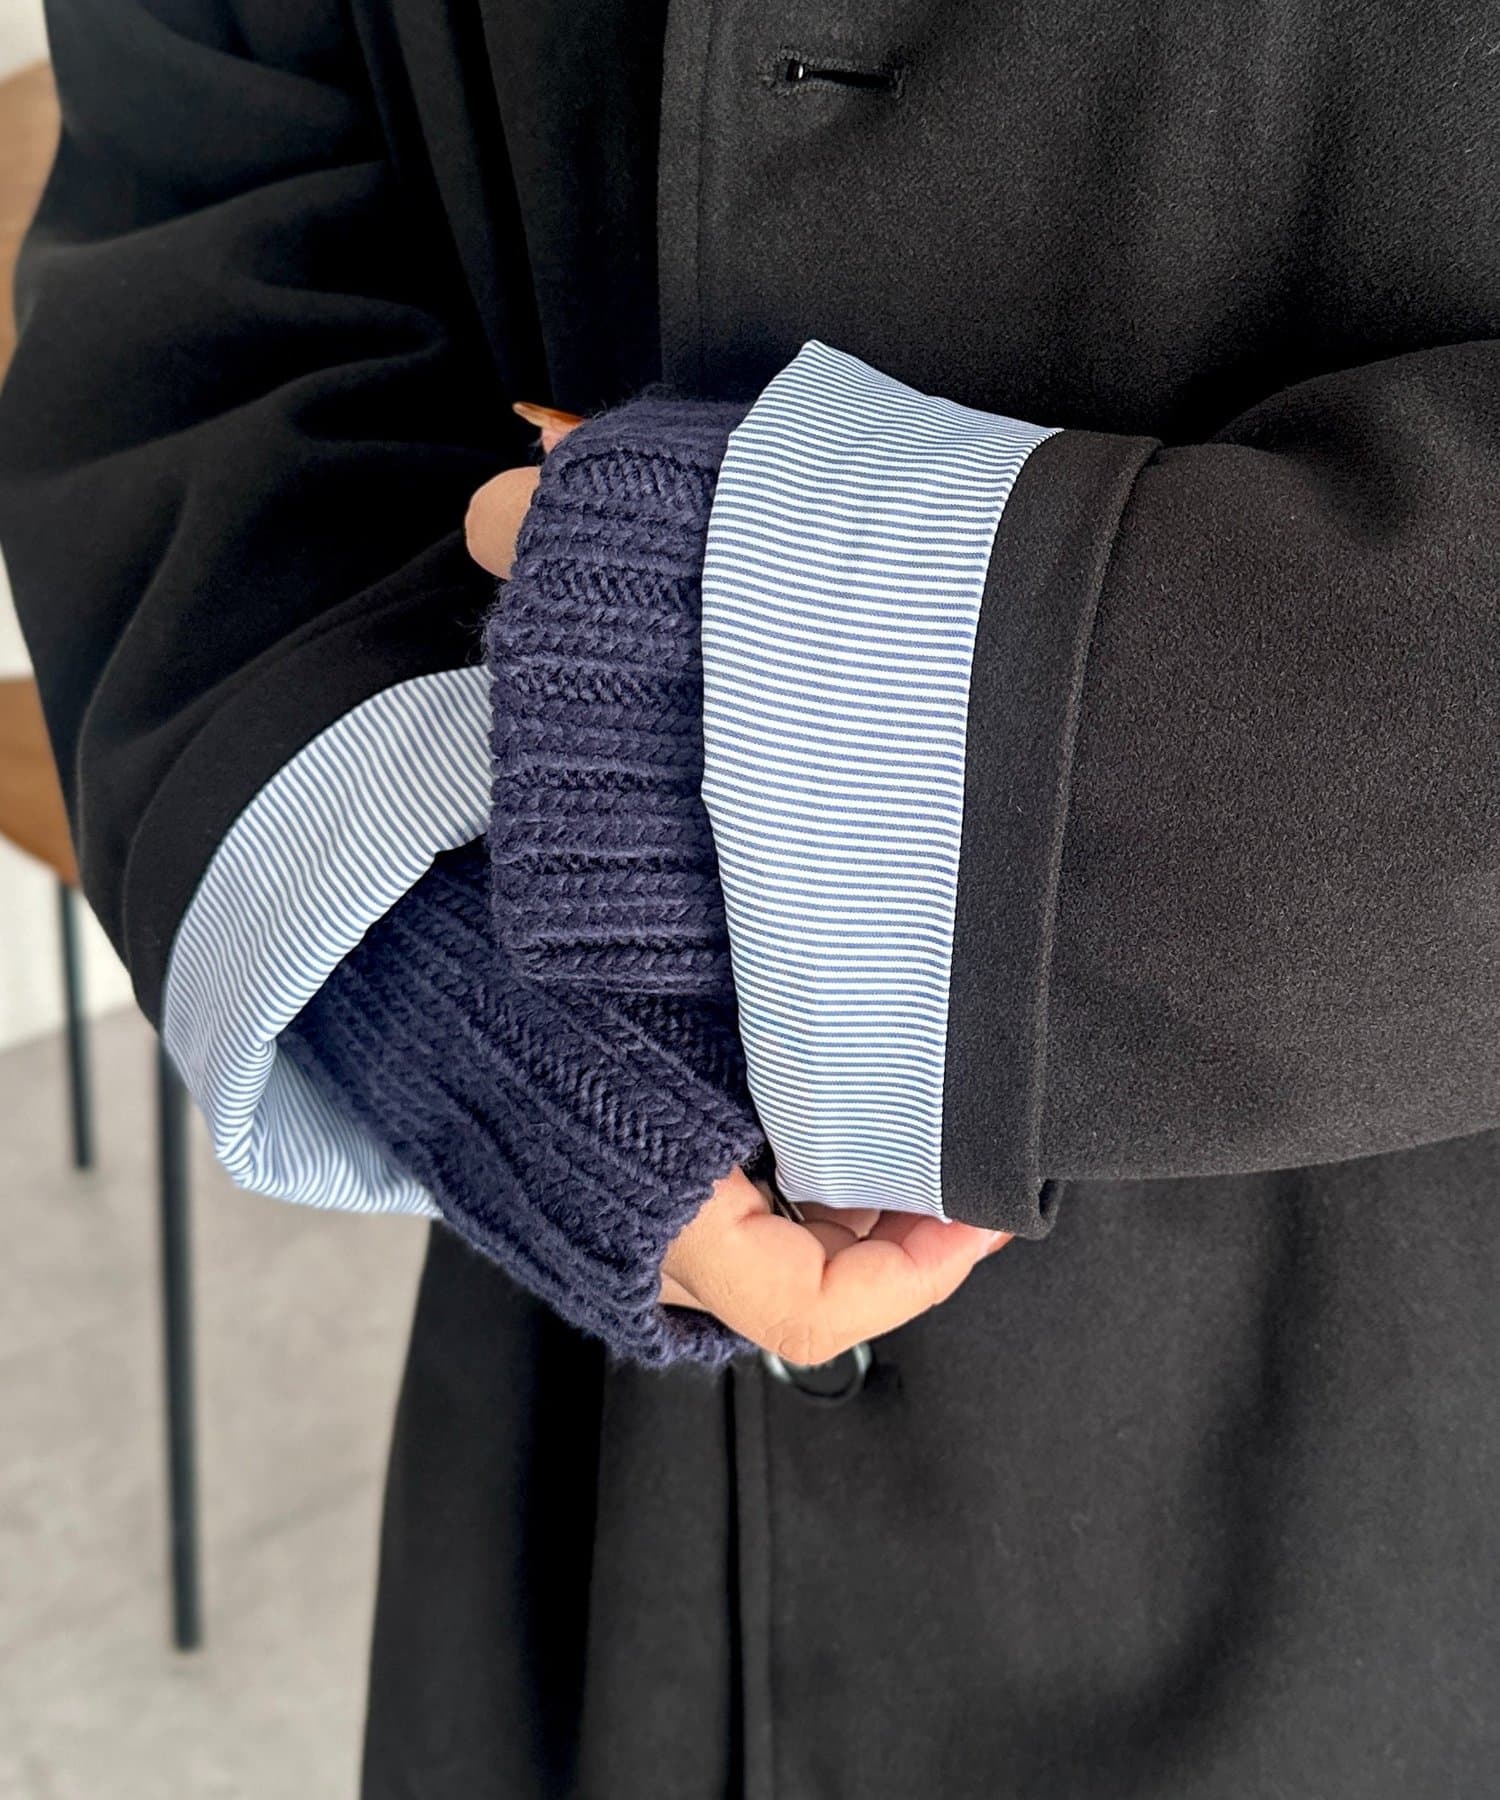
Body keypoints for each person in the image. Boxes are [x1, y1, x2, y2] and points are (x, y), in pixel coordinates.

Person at [0, 1, 1496, 1794]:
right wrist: (410, 887)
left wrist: (791, 718)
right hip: (606, 1409)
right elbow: (197, 201)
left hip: (1397, 1388)